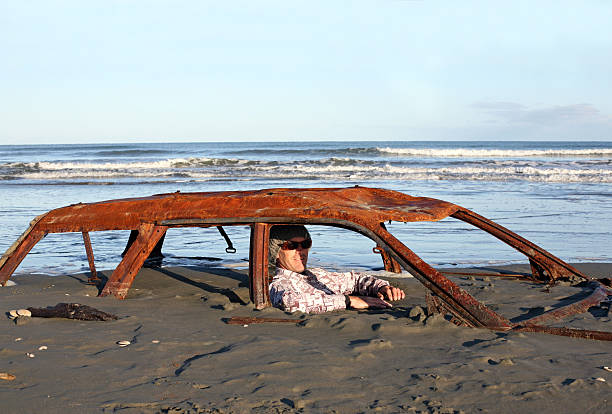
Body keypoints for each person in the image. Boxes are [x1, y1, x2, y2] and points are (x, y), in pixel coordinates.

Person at [268, 225, 405, 314]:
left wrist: (380, 287)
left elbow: (354, 279)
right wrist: (349, 300)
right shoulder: (280, 283)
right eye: (291, 245)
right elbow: (291, 302)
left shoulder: (318, 274)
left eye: (305, 244)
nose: (300, 250)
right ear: (276, 252)